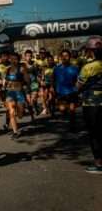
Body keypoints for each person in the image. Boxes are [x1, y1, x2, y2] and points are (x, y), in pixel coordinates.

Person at [77, 36, 102, 174]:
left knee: (95, 134)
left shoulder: (88, 67)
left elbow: (78, 85)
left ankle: (99, 164)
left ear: (90, 51)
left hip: (92, 104)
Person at [4, 52, 30, 139]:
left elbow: (28, 81)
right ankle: (15, 132)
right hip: (10, 93)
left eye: (15, 59)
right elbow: (5, 80)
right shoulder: (7, 70)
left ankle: (23, 109)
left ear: (18, 60)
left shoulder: (22, 69)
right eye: (11, 59)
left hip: (19, 92)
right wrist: (4, 84)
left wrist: (25, 81)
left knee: (20, 115)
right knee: (11, 112)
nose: (13, 60)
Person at [53, 49, 79, 131]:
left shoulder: (75, 68)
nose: (64, 57)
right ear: (60, 57)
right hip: (60, 92)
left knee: (72, 111)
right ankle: (67, 115)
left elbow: (78, 80)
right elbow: (53, 79)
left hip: (72, 91)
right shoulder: (56, 68)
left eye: (66, 56)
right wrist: (53, 89)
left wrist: (78, 89)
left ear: (69, 57)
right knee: (62, 109)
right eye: (63, 56)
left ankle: (73, 126)